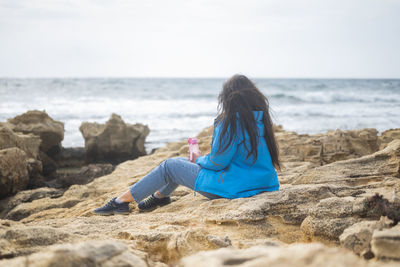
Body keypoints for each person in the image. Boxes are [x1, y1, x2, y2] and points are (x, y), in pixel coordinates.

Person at [94, 74, 280, 215]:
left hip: (234, 188)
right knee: (181, 164)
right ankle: (160, 197)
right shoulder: (260, 119)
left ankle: (121, 202)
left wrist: (199, 158)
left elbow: (218, 163)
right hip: (262, 183)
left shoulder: (231, 122)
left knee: (170, 165)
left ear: (228, 98)